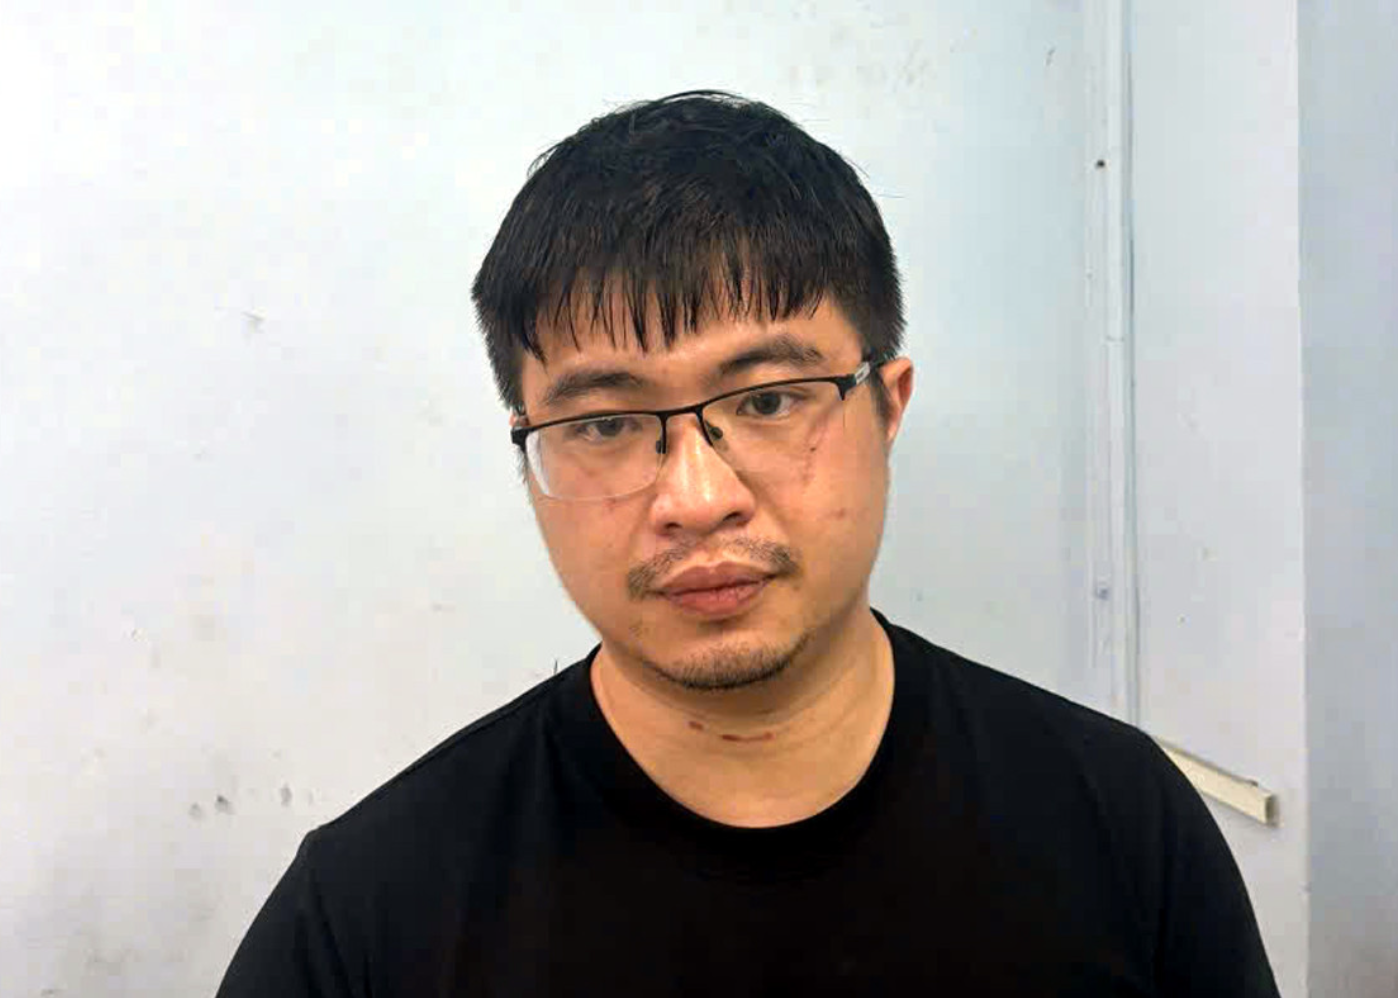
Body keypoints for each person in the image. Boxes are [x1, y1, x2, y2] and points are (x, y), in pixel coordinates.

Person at [216, 90, 1279, 996]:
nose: (696, 497)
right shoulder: (364, 919)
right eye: (605, 423)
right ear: (528, 450)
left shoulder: (1123, 825)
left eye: (769, 400)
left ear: (889, 406)